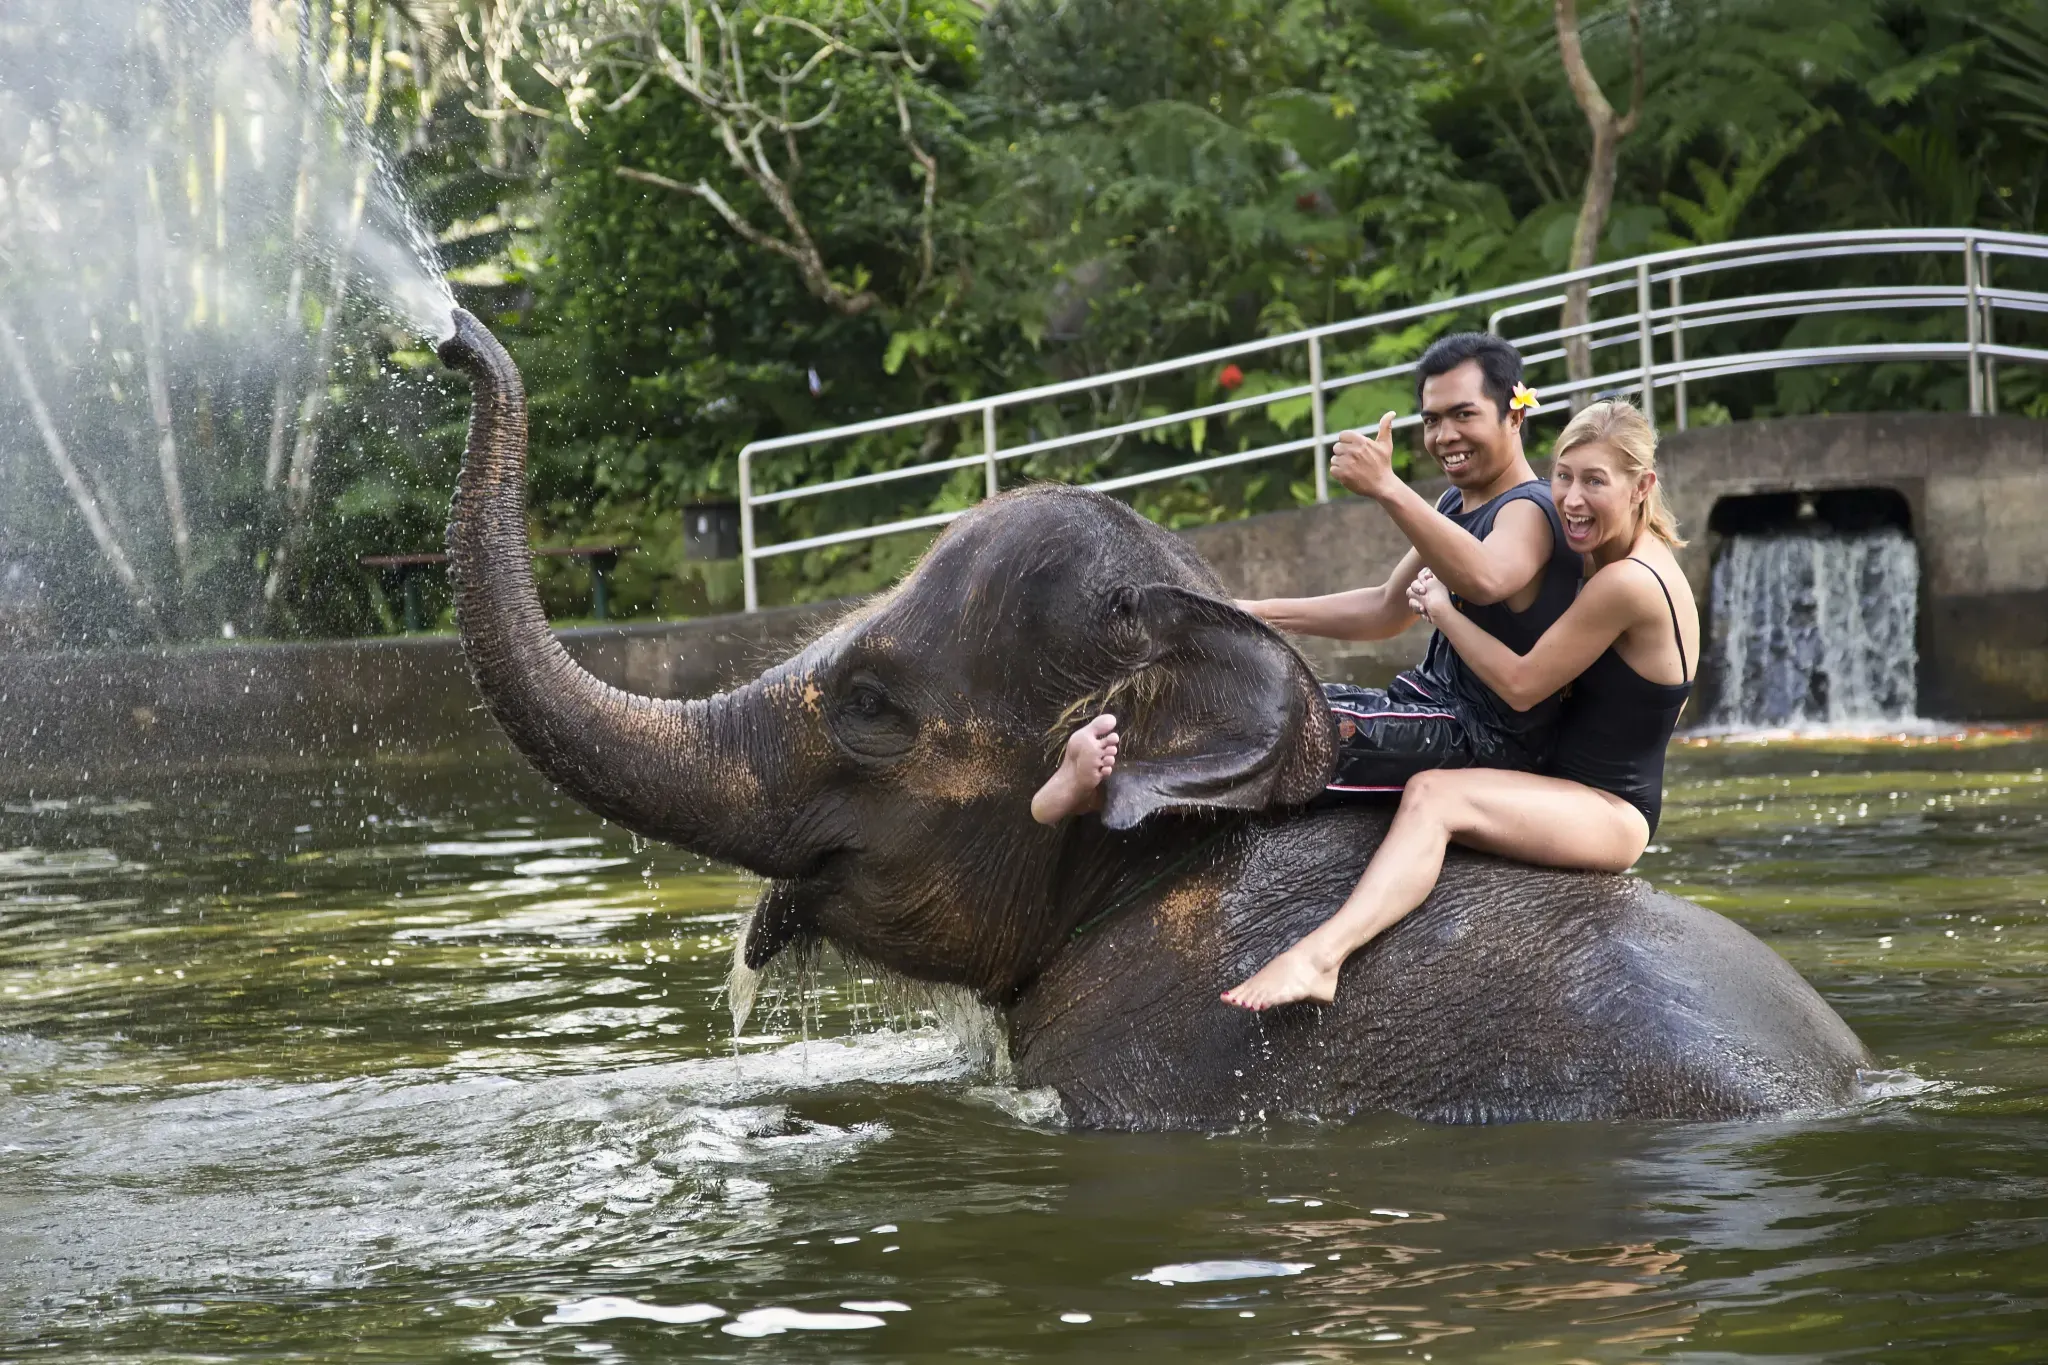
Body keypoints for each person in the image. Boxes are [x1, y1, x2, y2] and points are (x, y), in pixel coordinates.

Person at [1220, 398, 1697, 1009]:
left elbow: (1524, 684)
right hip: (1556, 776)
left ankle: (1321, 958)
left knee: (1434, 795)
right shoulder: (1597, 551)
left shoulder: (1628, 581)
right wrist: (1252, 614)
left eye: (1595, 482)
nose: (1571, 499)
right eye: (1564, 476)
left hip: (1609, 808)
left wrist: (1443, 610)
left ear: (1642, 486)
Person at [1030, 331, 1580, 823]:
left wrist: (1388, 488)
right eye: (1432, 420)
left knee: (1288, 725)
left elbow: (1487, 578)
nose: (1445, 436)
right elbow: (1385, 610)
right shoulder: (1454, 504)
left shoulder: (1528, 509)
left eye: (1464, 415)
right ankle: (1095, 762)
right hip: (1425, 705)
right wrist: (1250, 614)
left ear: (1514, 415)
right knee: (1264, 690)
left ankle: (1100, 790)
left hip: (1479, 737)